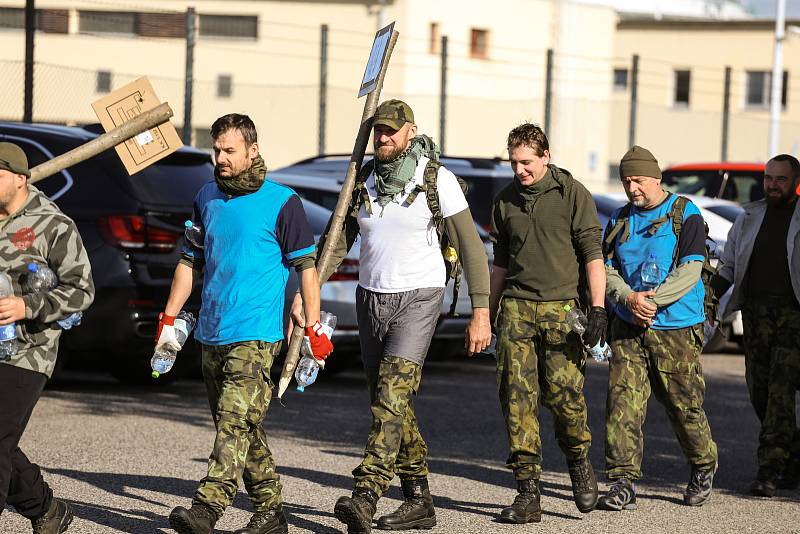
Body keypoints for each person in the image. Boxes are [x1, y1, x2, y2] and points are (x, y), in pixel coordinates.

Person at [291, 99, 491, 533]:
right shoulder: (362, 182)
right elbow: (336, 244)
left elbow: (473, 250)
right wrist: (309, 293)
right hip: (370, 300)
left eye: (392, 131)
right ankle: (420, 501)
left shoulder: (438, 180)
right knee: (390, 405)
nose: (383, 138)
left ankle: (365, 494)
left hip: (419, 299)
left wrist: (481, 311)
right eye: (378, 131)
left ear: (410, 132)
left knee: (391, 398)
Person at [163, 114, 332, 534]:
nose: (219, 158)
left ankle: (207, 507)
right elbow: (190, 262)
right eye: (216, 150)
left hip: (257, 335)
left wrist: (313, 330)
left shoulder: (282, 202)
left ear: (252, 151)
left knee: (235, 421)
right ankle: (272, 511)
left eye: (229, 151)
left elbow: (307, 270)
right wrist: (168, 320)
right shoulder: (205, 197)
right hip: (210, 331)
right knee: (239, 425)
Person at [489, 123, 605, 523]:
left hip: (562, 310)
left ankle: (579, 461)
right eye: (514, 163)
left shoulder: (573, 195)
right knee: (517, 401)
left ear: (545, 156)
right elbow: (500, 264)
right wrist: (485, 314)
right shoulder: (505, 201)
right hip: (517, 310)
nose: (519, 170)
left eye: (526, 162)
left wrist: (599, 308)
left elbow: (592, 255)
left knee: (566, 399)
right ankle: (527, 492)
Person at [599, 145, 718, 511]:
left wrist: (652, 301)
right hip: (629, 324)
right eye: (626, 181)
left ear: (656, 177)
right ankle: (622, 480)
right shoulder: (620, 219)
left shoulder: (685, 213)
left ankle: (702, 465)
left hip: (676, 326)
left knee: (684, 404)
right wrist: (627, 299)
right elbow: (606, 268)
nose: (632, 188)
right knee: (623, 404)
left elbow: (691, 268)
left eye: (638, 180)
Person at [0, 142, 95, 533]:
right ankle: (46, 509)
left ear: (20, 180)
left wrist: (26, 306)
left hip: (27, 351)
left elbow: (82, 290)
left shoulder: (53, 225)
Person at [710, 154, 800, 497]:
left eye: (780, 179)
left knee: (780, 391)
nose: (772, 185)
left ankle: (770, 470)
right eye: (768, 178)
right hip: (755, 315)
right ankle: (793, 452)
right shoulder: (748, 217)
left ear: (794, 181)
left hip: (793, 316)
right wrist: (711, 296)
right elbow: (729, 265)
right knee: (758, 390)